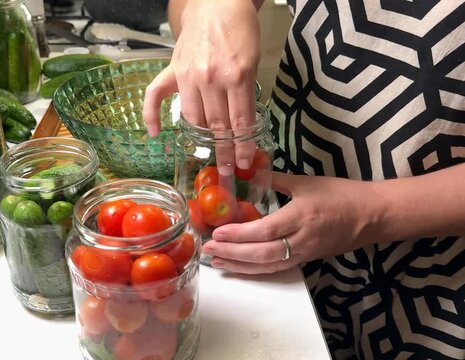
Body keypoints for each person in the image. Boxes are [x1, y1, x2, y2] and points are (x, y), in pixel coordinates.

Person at [143, 0, 465, 359]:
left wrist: (374, 211)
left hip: (431, 283)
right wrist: (206, 10)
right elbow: (187, 11)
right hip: (287, 228)